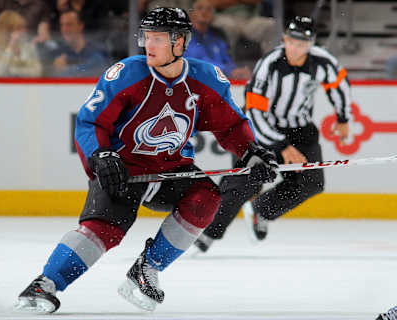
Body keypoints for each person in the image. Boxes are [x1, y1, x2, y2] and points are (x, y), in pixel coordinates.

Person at [14, 7, 277, 314]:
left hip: (171, 171)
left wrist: (251, 152)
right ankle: (45, 284)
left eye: (158, 39)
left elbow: (230, 125)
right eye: (146, 37)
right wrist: (100, 155)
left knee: (205, 198)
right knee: (105, 229)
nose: (148, 45)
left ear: (179, 43)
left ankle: (146, 269)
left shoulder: (206, 80)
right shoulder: (127, 74)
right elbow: (90, 123)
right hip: (124, 170)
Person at [194, 16, 352, 253]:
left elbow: (340, 85)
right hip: (262, 130)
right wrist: (281, 146)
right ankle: (207, 232)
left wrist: (343, 118)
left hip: (301, 129)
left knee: (311, 182)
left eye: (303, 43)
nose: (297, 48)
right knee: (243, 182)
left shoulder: (323, 62)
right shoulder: (268, 65)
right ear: (284, 39)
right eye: (293, 41)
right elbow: (255, 114)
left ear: (312, 44)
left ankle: (262, 210)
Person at [185, 0, 250, 79]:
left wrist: (236, 70)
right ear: (190, 14)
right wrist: (229, 71)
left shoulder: (218, 36)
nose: (204, 12)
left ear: (213, 15)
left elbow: (227, 59)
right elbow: (197, 61)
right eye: (200, 8)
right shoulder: (184, 36)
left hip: (221, 80)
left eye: (209, 9)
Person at [36, 9, 109, 77]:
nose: (64, 29)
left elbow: (95, 68)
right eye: (62, 25)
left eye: (69, 25)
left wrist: (65, 69)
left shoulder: (96, 49)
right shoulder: (60, 51)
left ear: (80, 26)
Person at [0, 10, 43, 77]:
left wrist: (13, 71)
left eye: (24, 27)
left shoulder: (28, 46)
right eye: (19, 28)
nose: (24, 31)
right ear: (7, 30)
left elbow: (37, 72)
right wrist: (10, 47)